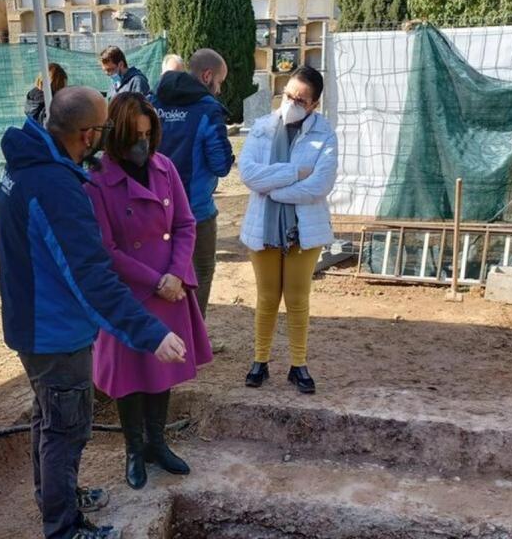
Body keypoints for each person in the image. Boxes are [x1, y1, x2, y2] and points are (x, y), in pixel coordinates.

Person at [0, 86, 187, 539]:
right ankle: (64, 529)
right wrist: (151, 333)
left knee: (48, 419)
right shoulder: (57, 187)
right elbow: (91, 275)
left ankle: (56, 496)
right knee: (66, 429)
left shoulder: (25, 169)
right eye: (101, 130)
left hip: (30, 321)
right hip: (54, 331)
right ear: (87, 134)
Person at [84, 92, 212, 490]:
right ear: (116, 135)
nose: (142, 143)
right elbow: (106, 249)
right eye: (134, 135)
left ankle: (158, 443)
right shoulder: (99, 179)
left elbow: (186, 225)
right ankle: (134, 451)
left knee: (163, 369)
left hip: (171, 290)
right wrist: (154, 279)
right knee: (130, 377)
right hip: (130, 295)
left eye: (148, 134)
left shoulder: (165, 167)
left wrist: (175, 274)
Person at [238, 66, 338, 395]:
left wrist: (275, 188)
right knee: (266, 297)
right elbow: (250, 175)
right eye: (288, 95)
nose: (292, 102)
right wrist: (296, 171)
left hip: (303, 229)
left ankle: (298, 364)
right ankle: (260, 360)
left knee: (297, 298)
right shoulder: (262, 127)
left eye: (300, 99)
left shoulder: (325, 134)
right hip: (263, 225)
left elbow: (319, 185)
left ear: (314, 104)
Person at [150, 48, 234, 318]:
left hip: (154, 211)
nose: (219, 90)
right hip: (196, 213)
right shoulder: (208, 109)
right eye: (219, 82)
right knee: (200, 274)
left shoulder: (154, 102)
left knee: (159, 276)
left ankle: (165, 342)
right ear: (207, 75)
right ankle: (193, 346)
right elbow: (221, 164)